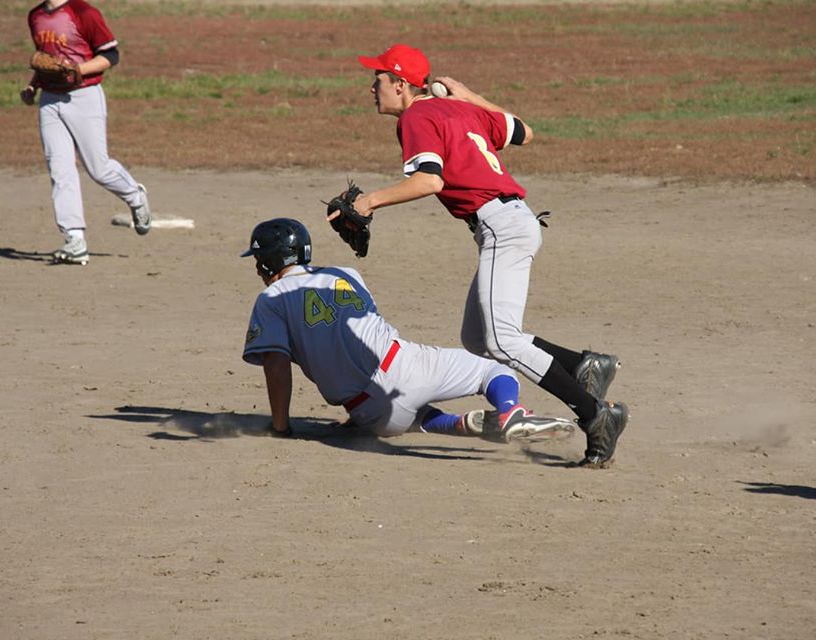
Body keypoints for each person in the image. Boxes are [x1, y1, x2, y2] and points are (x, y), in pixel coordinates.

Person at [340, 44, 628, 467]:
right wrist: (469, 95)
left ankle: (595, 415)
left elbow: (429, 182)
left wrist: (369, 203)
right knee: (478, 339)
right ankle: (585, 365)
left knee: (500, 339)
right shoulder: (459, 111)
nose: (371, 87)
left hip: (501, 227)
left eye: (378, 78)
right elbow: (524, 131)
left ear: (401, 84)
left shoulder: (419, 117)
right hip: (513, 222)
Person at [240, 217, 576, 445]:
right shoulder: (347, 274)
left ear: (270, 260)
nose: (257, 266)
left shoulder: (270, 299)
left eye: (259, 259)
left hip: (369, 413)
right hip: (402, 366)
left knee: (414, 416)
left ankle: (456, 424)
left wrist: (280, 427)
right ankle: (509, 411)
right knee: (494, 367)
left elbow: (276, 364)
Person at [21, 0, 151, 266]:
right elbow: (46, 61)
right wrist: (33, 87)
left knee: (98, 168)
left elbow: (110, 56)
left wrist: (76, 70)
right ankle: (74, 239)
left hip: (84, 96)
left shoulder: (83, 13)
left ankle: (135, 196)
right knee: (60, 170)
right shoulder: (35, 16)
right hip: (49, 100)